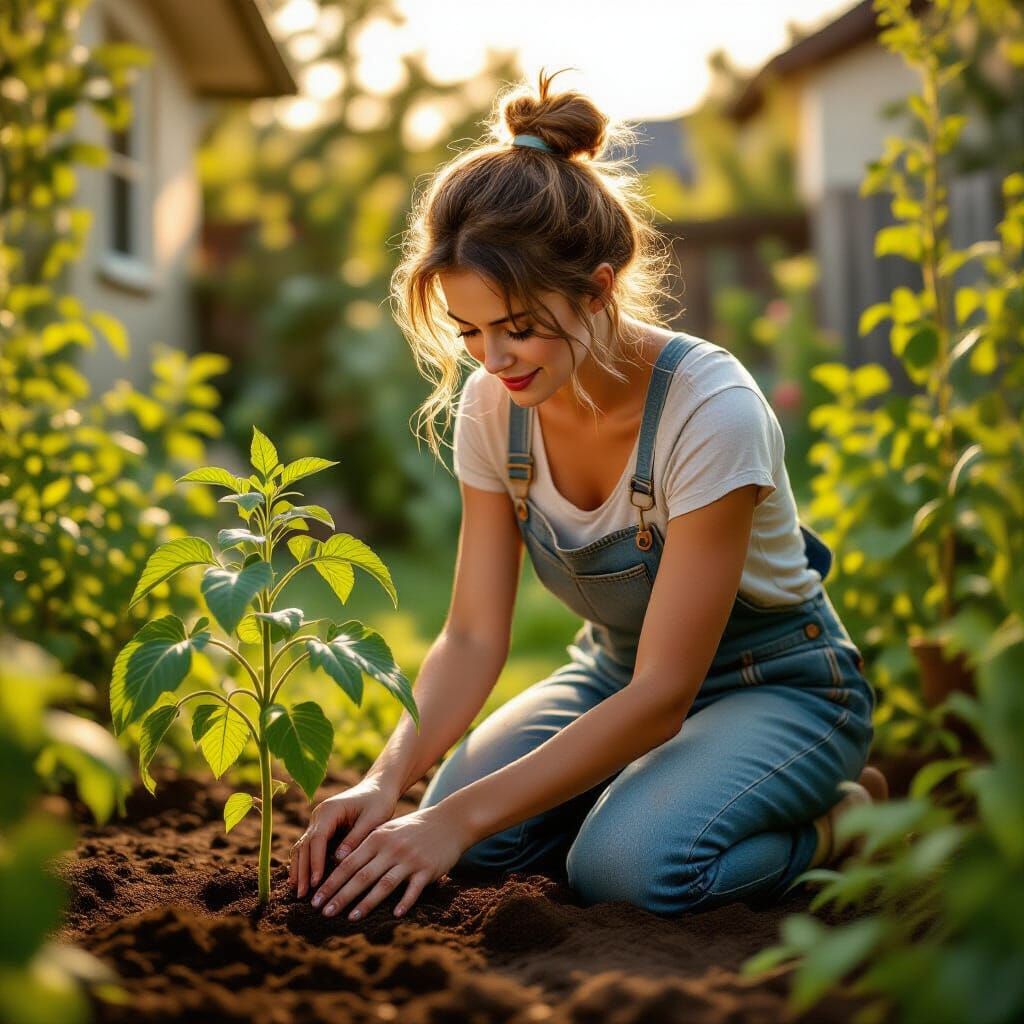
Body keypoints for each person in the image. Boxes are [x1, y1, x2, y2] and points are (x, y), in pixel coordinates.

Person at [288, 68, 887, 924]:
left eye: (520, 327)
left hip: (778, 685)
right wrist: (390, 782)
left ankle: (836, 821)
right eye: (471, 333)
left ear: (599, 288)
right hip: (611, 674)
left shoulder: (709, 410)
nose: (493, 360)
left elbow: (665, 693)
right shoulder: (497, 407)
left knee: (629, 869)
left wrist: (448, 819)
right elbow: (469, 635)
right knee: (477, 839)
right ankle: (651, 791)